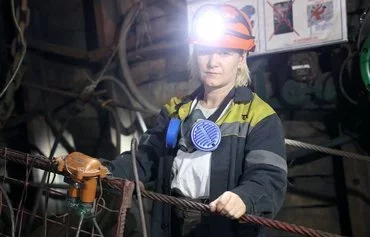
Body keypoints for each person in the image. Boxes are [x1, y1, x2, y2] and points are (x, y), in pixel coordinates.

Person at [81, 3, 287, 237]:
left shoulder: (259, 117)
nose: (213, 62)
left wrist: (244, 197)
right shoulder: (176, 111)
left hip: (226, 227)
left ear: (242, 58)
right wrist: (106, 170)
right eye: (205, 51)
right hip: (172, 221)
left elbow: (269, 177)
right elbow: (145, 159)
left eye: (225, 53)